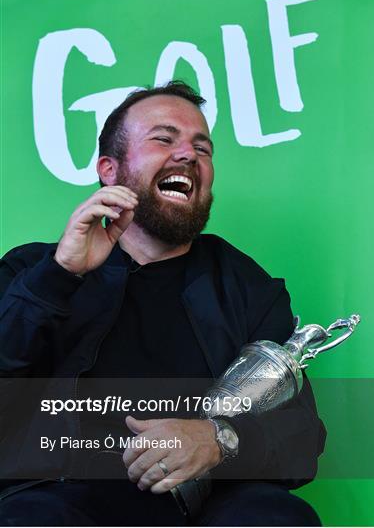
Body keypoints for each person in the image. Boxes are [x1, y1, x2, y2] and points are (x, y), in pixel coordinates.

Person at [0, 81, 326, 526]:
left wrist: (219, 439)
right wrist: (59, 275)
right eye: (164, 138)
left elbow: (303, 437)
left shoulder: (248, 286)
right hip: (61, 500)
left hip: (209, 506)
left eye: (202, 148)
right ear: (110, 171)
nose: (189, 155)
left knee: (272, 516)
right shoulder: (31, 270)